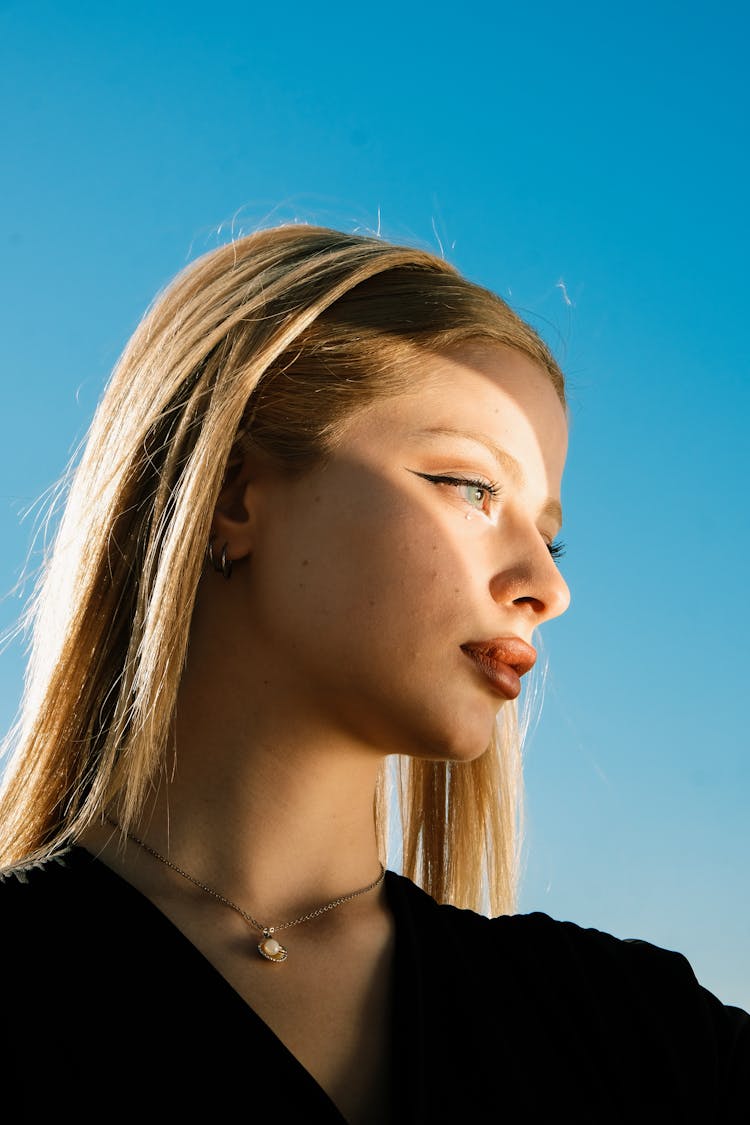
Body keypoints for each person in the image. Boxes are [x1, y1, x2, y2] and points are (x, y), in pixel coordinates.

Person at [0, 225, 746, 1123]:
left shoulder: (632, 1032)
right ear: (236, 494)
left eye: (549, 533)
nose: (548, 586)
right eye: (470, 487)